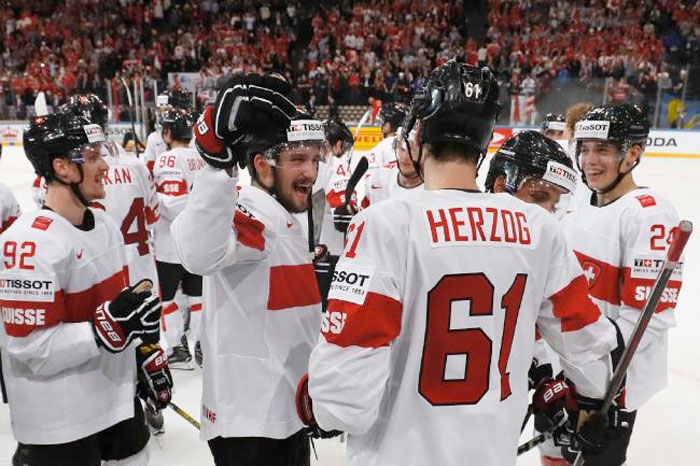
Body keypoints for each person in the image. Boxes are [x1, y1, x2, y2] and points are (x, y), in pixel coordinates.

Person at [294, 61, 623, 466]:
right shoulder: (538, 226)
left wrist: (319, 406)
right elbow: (586, 342)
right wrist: (592, 401)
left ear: (418, 135)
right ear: (485, 142)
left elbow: (342, 402)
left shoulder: (386, 224)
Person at [171, 73, 324, 466]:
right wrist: (216, 164)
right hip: (251, 426)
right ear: (261, 165)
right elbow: (198, 253)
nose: (309, 172)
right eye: (296, 160)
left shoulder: (285, 213)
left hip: (283, 414)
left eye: (313, 159)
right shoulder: (251, 211)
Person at [0, 111, 169, 466]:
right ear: (62, 168)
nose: (105, 165)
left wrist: (141, 354)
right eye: (91, 156)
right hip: (59, 422)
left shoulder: (105, 225)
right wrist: (102, 331)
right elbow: (28, 346)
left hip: (117, 404)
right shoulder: (27, 243)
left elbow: (122, 317)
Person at [561, 104, 685, 465]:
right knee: (554, 455)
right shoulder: (580, 200)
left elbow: (649, 320)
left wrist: (593, 390)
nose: (589, 160)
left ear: (632, 154)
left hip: (610, 385)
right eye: (584, 148)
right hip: (571, 367)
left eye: (603, 149)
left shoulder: (649, 214)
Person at [63, 93, 166, 435]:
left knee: (106, 344)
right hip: (143, 271)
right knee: (147, 344)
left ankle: (113, 412)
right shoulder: (138, 166)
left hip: (102, 274)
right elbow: (151, 215)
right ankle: (152, 400)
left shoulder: (76, 173)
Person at [485, 130, 580, 466]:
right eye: (538, 196)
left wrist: (540, 374)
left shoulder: (534, 249)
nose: (547, 214)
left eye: (554, 203)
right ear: (500, 185)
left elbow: (525, 320)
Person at [152, 107, 204, 370]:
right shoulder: (200, 157)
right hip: (197, 242)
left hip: (170, 244)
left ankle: (177, 348)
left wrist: (151, 196)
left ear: (168, 132)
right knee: (197, 298)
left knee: (167, 299)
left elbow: (174, 204)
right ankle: (201, 345)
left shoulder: (168, 159)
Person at [360, 125, 424, 208]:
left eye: (412, 150)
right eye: (401, 148)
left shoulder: (439, 187)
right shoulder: (377, 179)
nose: (404, 157)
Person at [143, 88, 193, 173]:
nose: (160, 115)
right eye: (160, 110)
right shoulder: (155, 137)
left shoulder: (195, 136)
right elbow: (149, 169)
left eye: (165, 110)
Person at [365, 101, 409, 170]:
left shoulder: (379, 149)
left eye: (382, 122)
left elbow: (372, 179)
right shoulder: (412, 148)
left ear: (387, 126)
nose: (380, 125)